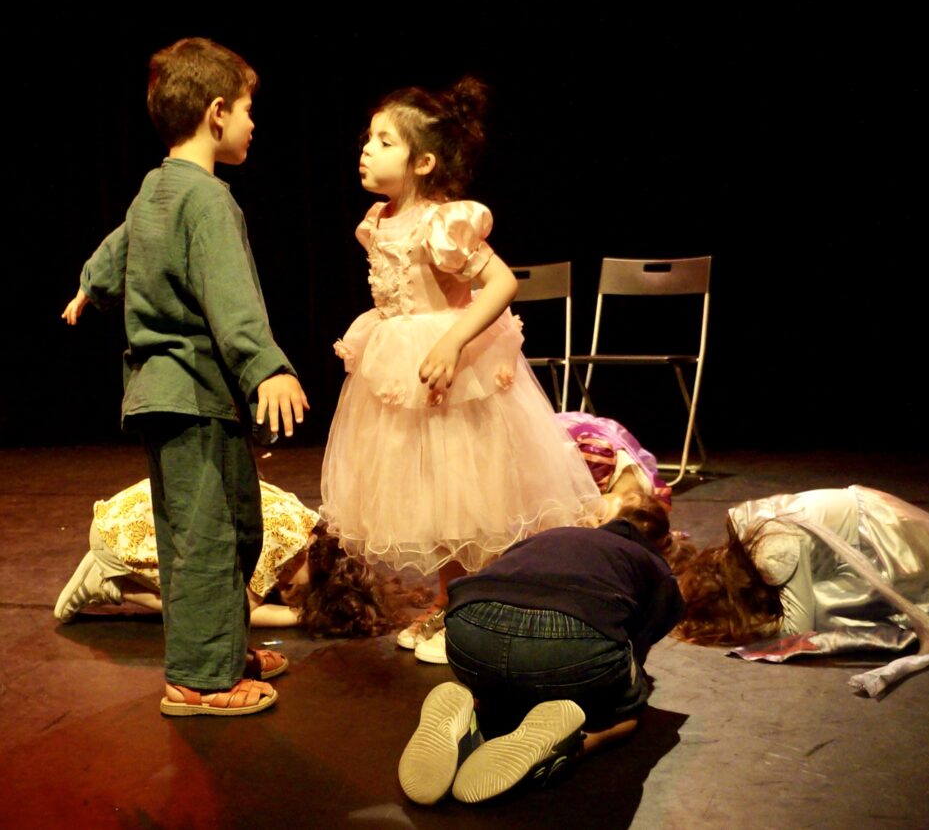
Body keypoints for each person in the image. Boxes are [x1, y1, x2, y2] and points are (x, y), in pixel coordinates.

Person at [61, 38, 309, 716]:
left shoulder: (153, 189)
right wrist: (268, 369)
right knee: (208, 539)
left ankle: (220, 648)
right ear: (217, 112)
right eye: (250, 109)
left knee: (227, 527)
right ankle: (199, 679)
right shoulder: (209, 201)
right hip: (194, 393)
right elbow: (232, 299)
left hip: (165, 396)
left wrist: (91, 286)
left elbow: (120, 244)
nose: (255, 124)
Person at [319, 76, 599, 665]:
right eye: (368, 137)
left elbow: (500, 283)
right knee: (429, 499)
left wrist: (452, 341)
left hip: (452, 366)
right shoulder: (377, 220)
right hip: (399, 370)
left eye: (384, 141)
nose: (366, 149)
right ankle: (453, 601)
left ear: (422, 160)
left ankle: (477, 605)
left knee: (467, 497)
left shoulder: (443, 223)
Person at [397, 493, 687, 805]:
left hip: (469, 629)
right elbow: (644, 637)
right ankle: (576, 744)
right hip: (570, 637)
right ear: (659, 543)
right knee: (628, 710)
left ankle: (475, 718)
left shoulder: (549, 536)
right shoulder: (652, 565)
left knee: (502, 677)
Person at [672, 485, 929, 697]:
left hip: (895, 546)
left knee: (817, 609)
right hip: (888, 521)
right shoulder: (744, 526)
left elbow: (798, 627)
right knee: (809, 589)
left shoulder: (772, 554)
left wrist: (745, 629)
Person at [54, 479, 408, 638]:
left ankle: (110, 580)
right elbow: (245, 613)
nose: (289, 591)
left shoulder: (302, 523)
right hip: (118, 537)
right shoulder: (282, 544)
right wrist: (301, 616)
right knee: (218, 611)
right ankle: (109, 585)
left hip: (121, 518)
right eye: (303, 590)